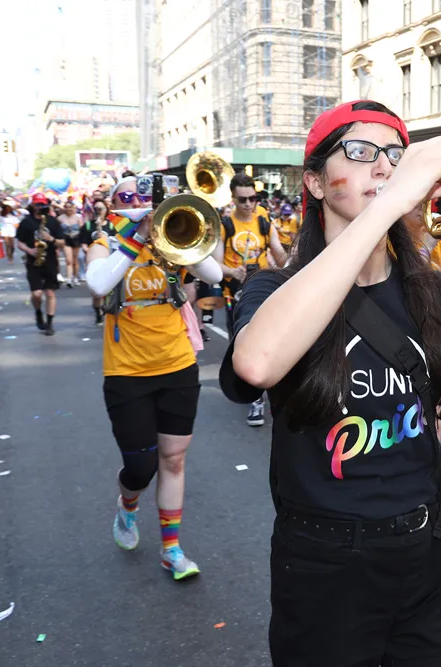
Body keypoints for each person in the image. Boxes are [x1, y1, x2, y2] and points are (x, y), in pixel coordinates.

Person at [225, 101, 441, 667]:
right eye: (360, 152)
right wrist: (390, 204)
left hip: (428, 550)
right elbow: (257, 364)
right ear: (315, 183)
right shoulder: (274, 289)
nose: (383, 166)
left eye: (395, 155)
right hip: (324, 566)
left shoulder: (440, 292)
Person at [85, 176, 224, 581]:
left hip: (178, 366)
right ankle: (128, 504)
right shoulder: (105, 245)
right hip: (126, 373)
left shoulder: (170, 246)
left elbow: (214, 273)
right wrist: (136, 238)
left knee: (174, 459)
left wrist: (173, 235)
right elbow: (98, 283)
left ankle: (171, 549)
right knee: (141, 467)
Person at [220, 171, 288, 427]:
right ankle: (253, 397)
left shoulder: (263, 222)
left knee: (268, 343)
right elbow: (216, 264)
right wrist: (231, 271)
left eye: (253, 199)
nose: (249, 204)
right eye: (243, 200)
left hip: (262, 293)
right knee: (243, 346)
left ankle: (265, 396)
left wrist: (295, 263)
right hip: (235, 294)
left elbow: (279, 253)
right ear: (233, 199)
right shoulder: (226, 225)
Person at [16, 193, 65, 335]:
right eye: (38, 204)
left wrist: (51, 239)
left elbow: (62, 242)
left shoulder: (53, 221)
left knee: (50, 292)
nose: (40, 207)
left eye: (42, 204)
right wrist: (29, 251)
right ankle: (38, 312)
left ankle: (49, 323)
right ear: (32, 205)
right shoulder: (26, 222)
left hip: (50, 260)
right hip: (33, 261)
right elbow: (19, 242)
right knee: (37, 293)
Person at [79, 199, 115, 325]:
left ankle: (108, 309)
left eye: (100, 209)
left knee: (110, 288)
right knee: (96, 291)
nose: (98, 212)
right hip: (94, 260)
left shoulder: (112, 225)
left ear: (106, 210)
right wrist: (90, 251)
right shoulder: (88, 225)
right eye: (96, 209)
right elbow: (83, 243)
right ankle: (97, 312)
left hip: (110, 259)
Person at [58, 200, 84, 287]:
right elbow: (57, 230)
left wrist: (82, 241)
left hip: (76, 239)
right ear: (64, 208)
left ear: (73, 208)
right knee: (69, 260)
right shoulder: (60, 218)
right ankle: (69, 279)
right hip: (66, 239)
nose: (68, 209)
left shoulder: (78, 217)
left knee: (75, 261)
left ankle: (75, 277)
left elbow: (82, 230)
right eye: (66, 207)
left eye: (70, 207)